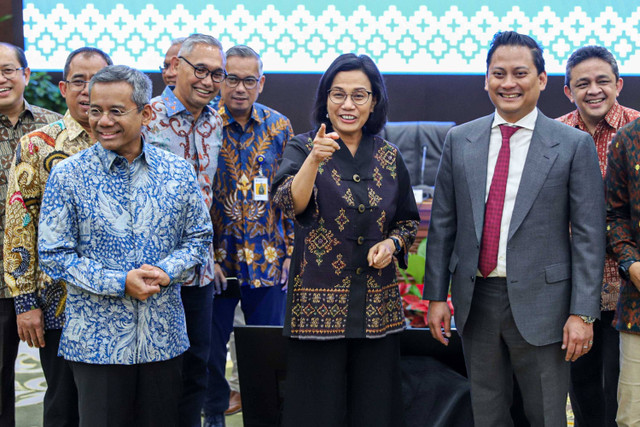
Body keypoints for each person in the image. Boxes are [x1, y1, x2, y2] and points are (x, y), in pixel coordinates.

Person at [423, 31, 606, 426]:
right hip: (477, 300)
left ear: (541, 80)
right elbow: (442, 225)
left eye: (520, 73)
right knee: (486, 413)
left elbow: (591, 237)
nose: (509, 83)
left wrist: (583, 314)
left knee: (546, 414)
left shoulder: (573, 145)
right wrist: (435, 296)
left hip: (547, 306)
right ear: (485, 79)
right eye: (498, 73)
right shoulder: (460, 140)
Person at [37, 64, 213, 427]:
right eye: (95, 110)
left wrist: (167, 270)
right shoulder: (69, 175)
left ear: (145, 113)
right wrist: (119, 282)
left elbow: (199, 237)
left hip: (162, 339)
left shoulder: (177, 171)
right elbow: (54, 255)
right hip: (95, 345)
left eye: (116, 111)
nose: (103, 121)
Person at [272, 53, 420, 427]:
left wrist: (392, 245)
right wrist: (313, 163)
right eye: (338, 94)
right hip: (316, 309)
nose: (348, 105)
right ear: (325, 100)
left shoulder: (389, 156)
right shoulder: (304, 147)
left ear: (374, 102)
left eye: (359, 95)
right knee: (315, 411)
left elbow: (406, 222)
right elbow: (289, 202)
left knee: (375, 409)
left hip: (377, 307)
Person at [4, 46, 111, 427]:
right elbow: (19, 226)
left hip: (120, 302)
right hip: (58, 304)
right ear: (64, 88)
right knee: (64, 403)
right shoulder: (37, 145)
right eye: (78, 81)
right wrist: (24, 303)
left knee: (113, 405)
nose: (87, 90)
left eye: (96, 81)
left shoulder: (129, 140)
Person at [203, 45, 293, 426]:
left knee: (266, 349)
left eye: (249, 80)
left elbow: (293, 195)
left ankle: (266, 416)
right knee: (209, 348)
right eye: (232, 78)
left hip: (269, 259)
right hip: (216, 261)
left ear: (262, 83)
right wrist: (202, 253)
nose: (240, 88)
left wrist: (291, 250)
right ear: (220, 80)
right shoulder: (201, 125)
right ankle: (214, 413)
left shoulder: (280, 127)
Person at [143, 33, 224, 427]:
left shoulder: (216, 120)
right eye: (201, 70)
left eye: (217, 74)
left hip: (200, 273)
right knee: (158, 373)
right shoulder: (146, 116)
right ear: (177, 68)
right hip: (155, 273)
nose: (209, 81)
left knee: (197, 369)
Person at [557, 45, 640, 427]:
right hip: (573, 290)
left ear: (619, 84)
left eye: (603, 81)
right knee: (583, 390)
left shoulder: (636, 132)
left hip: (630, 287)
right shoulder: (553, 136)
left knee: (624, 397)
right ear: (567, 90)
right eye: (582, 83)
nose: (594, 90)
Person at [0, 42, 61, 427]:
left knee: (59, 380)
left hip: (41, 276)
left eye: (7, 69)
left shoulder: (52, 130)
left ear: (25, 74)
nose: (1, 79)